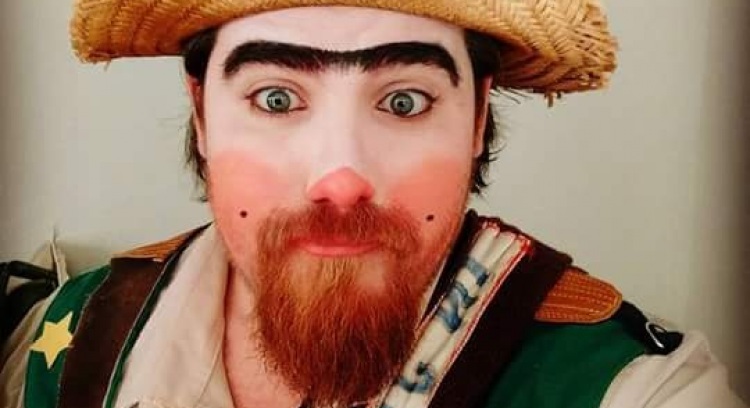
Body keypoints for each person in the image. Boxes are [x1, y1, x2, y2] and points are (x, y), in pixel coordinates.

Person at [0, 1, 746, 407]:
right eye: (276, 98)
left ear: (477, 119)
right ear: (202, 115)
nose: (341, 177)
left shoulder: (627, 388)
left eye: (404, 100)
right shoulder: (68, 335)